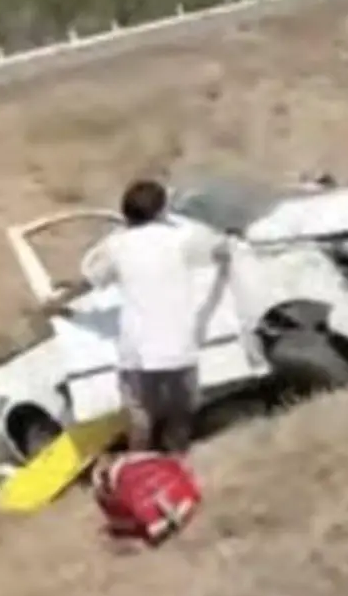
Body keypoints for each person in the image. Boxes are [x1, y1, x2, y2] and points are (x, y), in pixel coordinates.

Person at [44, 179, 230, 458]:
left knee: (140, 418)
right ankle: (176, 463)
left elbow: (88, 282)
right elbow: (219, 250)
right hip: (180, 347)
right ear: (161, 210)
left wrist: (56, 303)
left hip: (138, 351)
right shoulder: (180, 238)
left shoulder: (116, 246)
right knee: (181, 414)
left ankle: (139, 467)